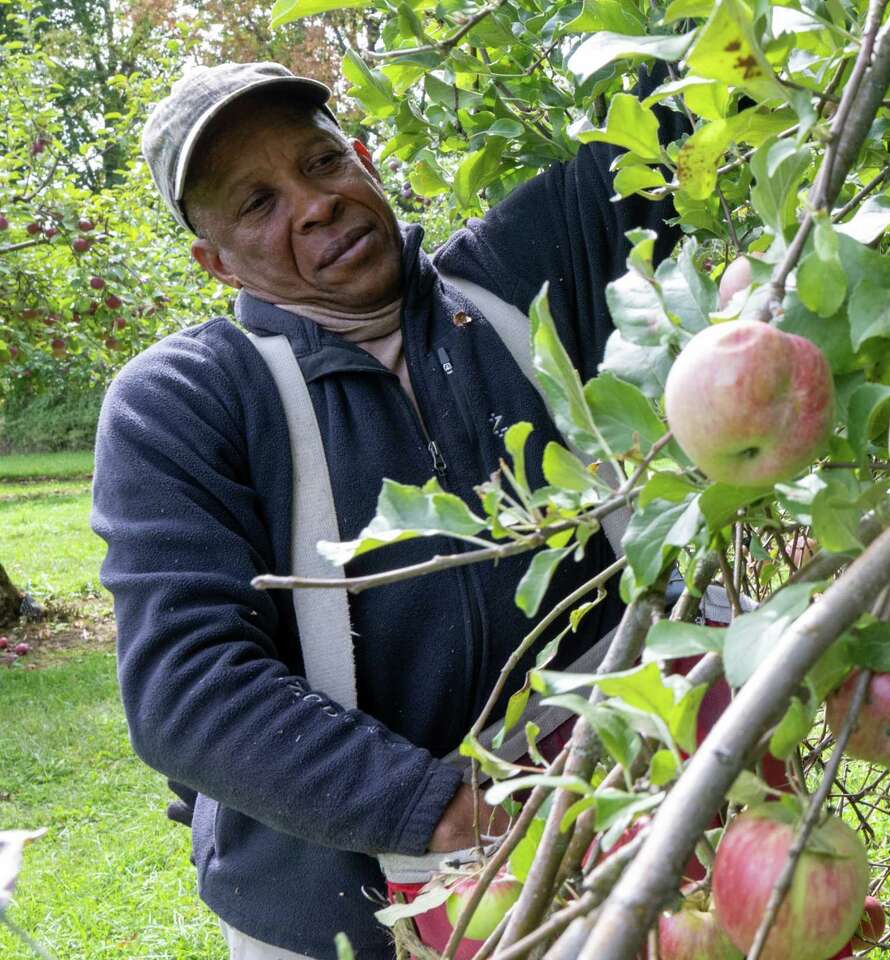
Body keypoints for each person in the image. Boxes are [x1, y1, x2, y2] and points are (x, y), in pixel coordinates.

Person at [90, 62, 682, 959]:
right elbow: (186, 685)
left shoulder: (516, 277)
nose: (315, 204)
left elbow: (684, 107)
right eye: (258, 203)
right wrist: (439, 809)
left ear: (366, 159)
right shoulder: (184, 400)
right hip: (337, 907)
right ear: (214, 262)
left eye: (322, 163)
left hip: (613, 835)